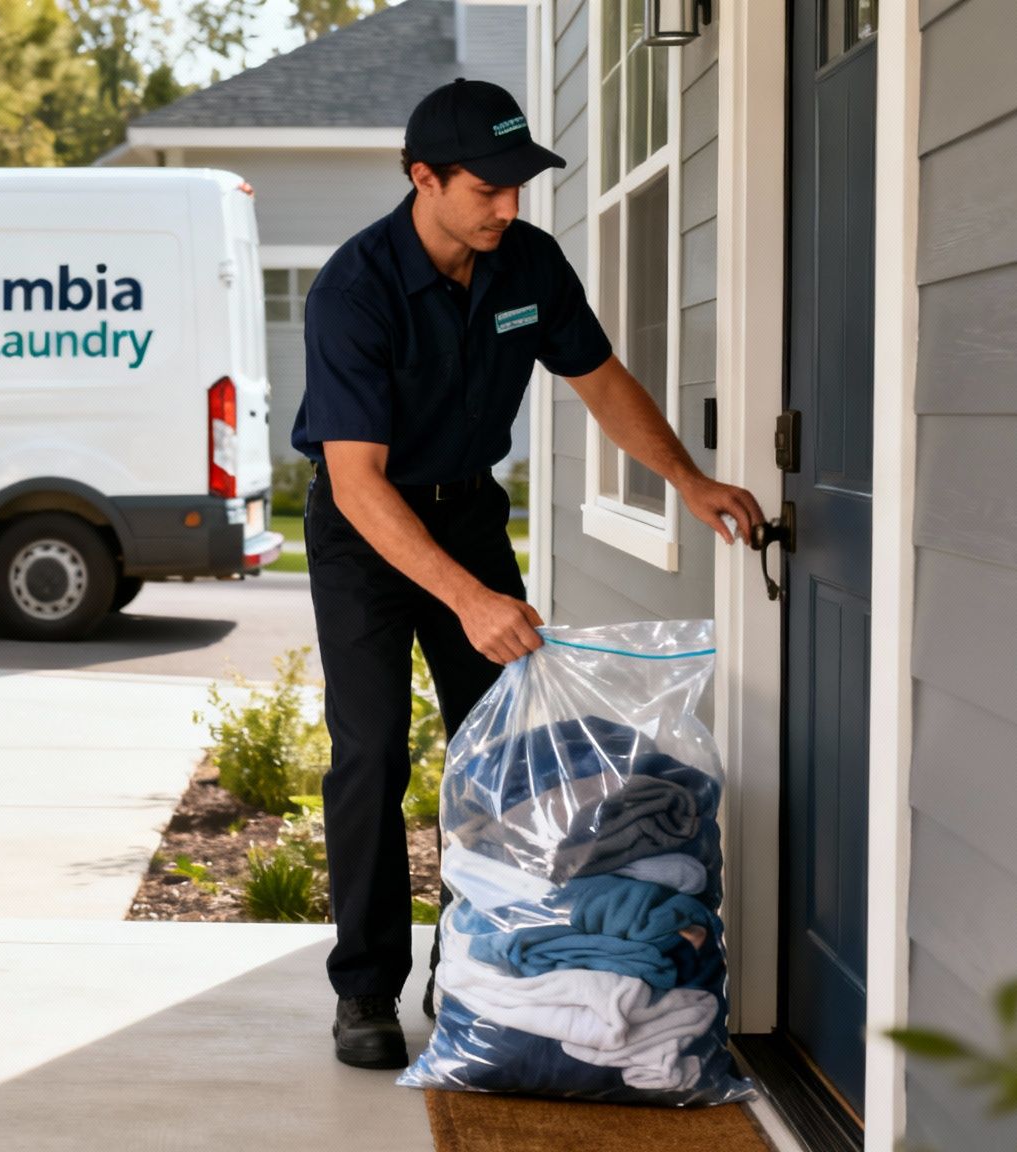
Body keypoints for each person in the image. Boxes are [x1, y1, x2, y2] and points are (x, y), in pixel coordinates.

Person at [292, 77, 765, 1070]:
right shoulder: (353, 290)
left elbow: (598, 378)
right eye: (487, 189)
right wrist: (466, 600)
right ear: (423, 179)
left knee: (499, 761)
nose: (509, 207)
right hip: (365, 529)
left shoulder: (526, 265)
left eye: (519, 187)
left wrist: (684, 477)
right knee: (371, 750)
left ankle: (471, 968)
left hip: (464, 510)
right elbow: (356, 481)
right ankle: (365, 991)